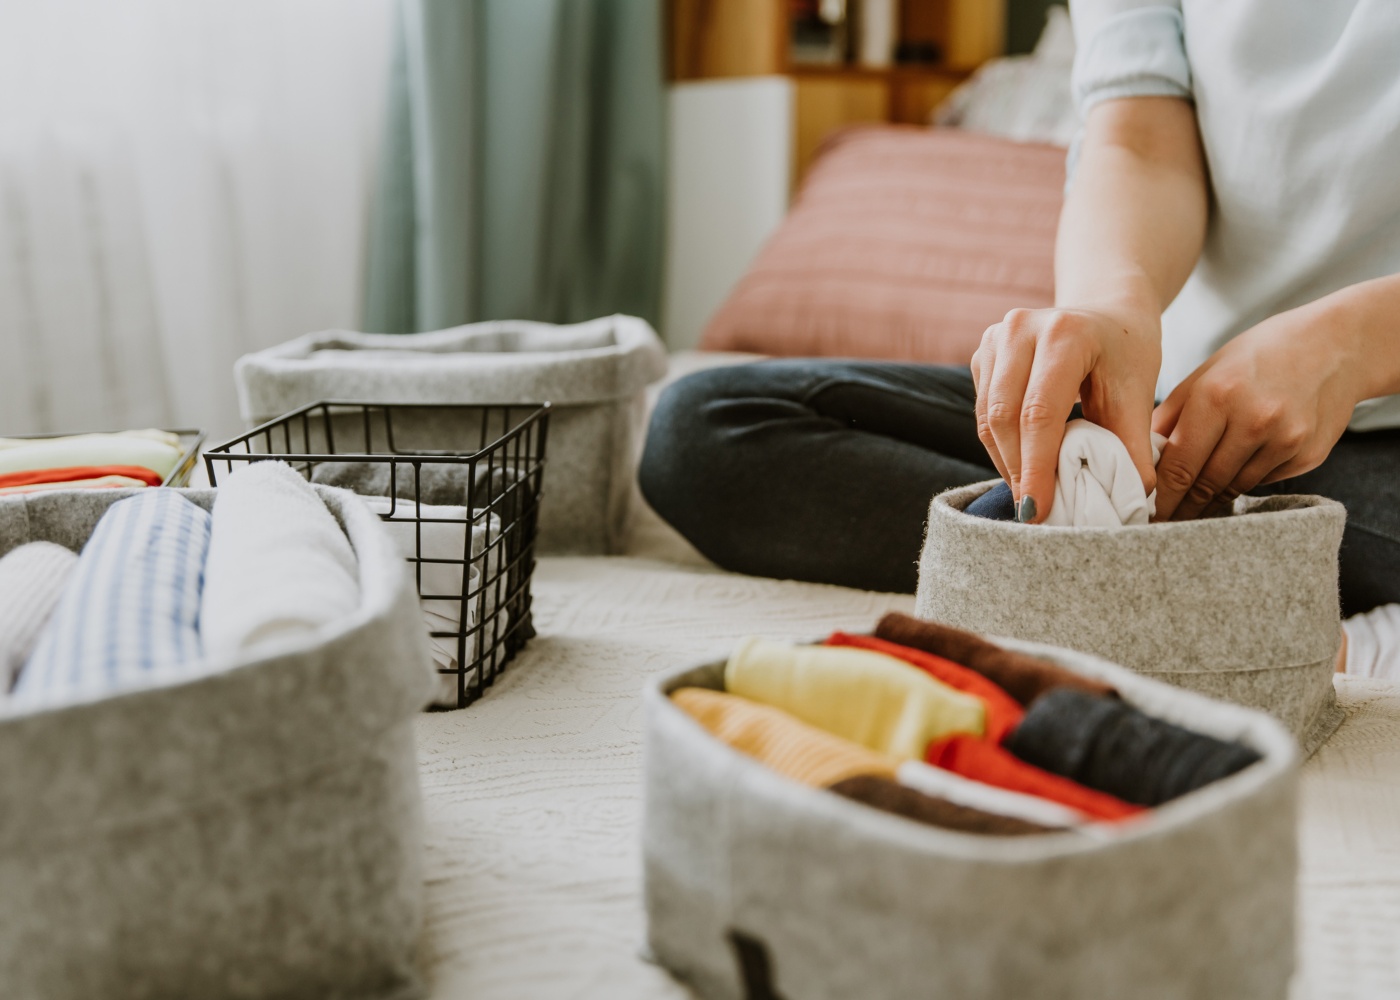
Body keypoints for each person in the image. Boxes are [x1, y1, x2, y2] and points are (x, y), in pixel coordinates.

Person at [639, 1, 1400, 627]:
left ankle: (1074, 570)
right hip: (1182, 421)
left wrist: (1354, 342)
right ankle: (1164, 577)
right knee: (703, 430)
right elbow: (1139, 142)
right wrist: (1110, 306)